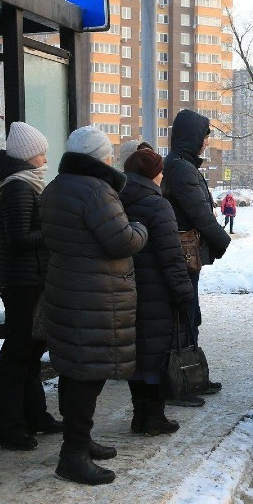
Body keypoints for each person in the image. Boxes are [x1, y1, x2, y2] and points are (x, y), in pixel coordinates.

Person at [39, 126, 147, 485]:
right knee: (87, 377)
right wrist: (140, 228)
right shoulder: (97, 191)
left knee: (75, 373)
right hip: (95, 297)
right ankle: (72, 456)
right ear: (101, 158)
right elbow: (121, 241)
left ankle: (80, 443)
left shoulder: (57, 187)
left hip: (68, 291)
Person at [0, 121, 62, 451]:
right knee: (18, 354)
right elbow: (20, 239)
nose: (45, 160)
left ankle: (35, 416)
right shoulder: (19, 188)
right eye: (41, 154)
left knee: (31, 352)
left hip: (29, 279)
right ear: (28, 156)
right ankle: (9, 428)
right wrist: (52, 231)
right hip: (23, 282)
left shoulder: (23, 185)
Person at [119, 147, 194, 436]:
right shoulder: (158, 205)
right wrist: (184, 293)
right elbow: (171, 256)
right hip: (157, 294)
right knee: (157, 354)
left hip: (127, 290)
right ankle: (155, 416)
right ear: (154, 174)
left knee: (136, 354)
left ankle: (140, 415)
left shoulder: (117, 200)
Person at [161, 109, 231, 405]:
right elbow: (199, 215)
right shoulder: (180, 168)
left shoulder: (182, 165)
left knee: (191, 317)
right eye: (204, 136)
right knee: (182, 318)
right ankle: (180, 384)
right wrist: (222, 239)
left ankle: (193, 376)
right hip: (181, 256)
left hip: (185, 257)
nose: (206, 142)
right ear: (193, 138)